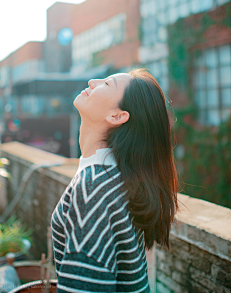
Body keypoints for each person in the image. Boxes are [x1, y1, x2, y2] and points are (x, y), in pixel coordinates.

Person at [51, 68, 178, 293]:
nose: (92, 81)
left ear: (117, 116)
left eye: (107, 84)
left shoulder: (92, 190)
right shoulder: (116, 178)